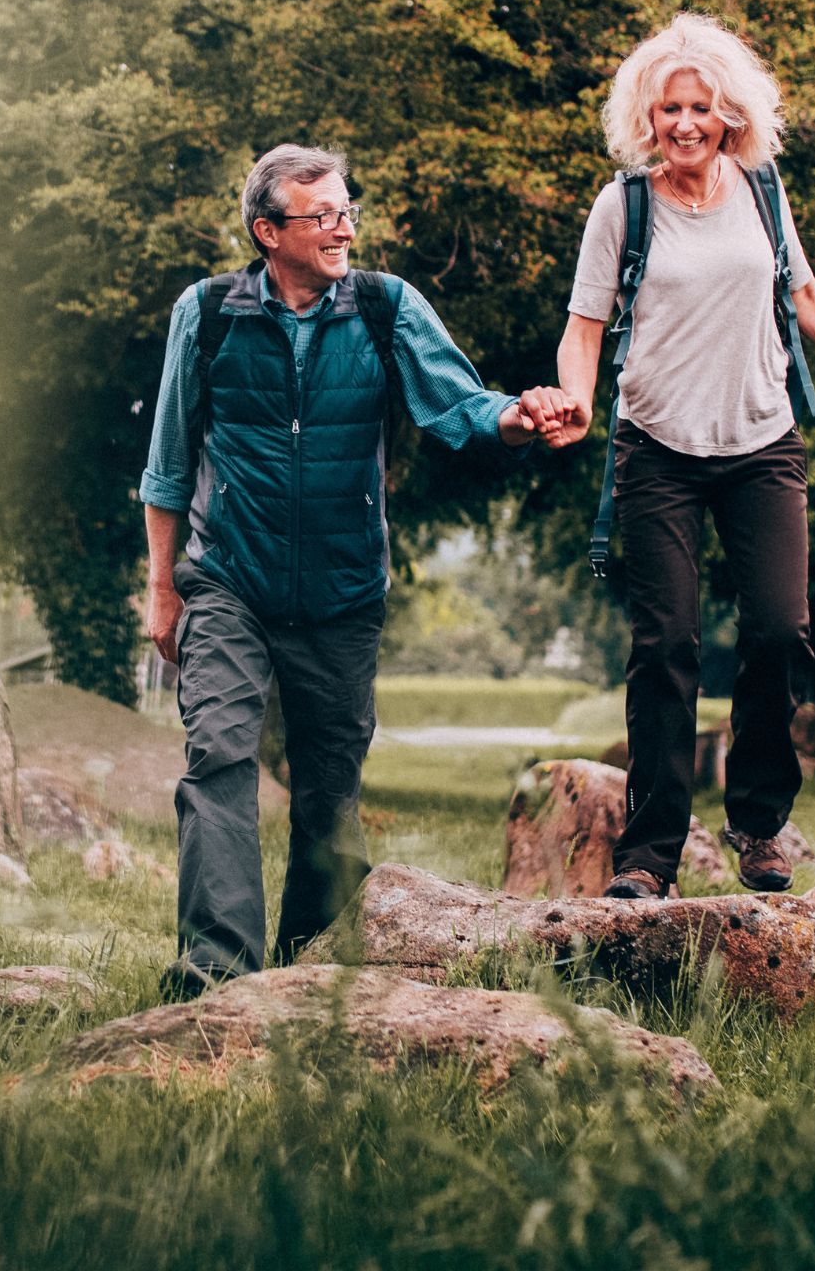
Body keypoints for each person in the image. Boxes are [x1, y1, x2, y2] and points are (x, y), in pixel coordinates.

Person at [140, 145, 574, 993]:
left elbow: (459, 407)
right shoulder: (208, 314)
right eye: (322, 215)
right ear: (268, 232)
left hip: (342, 592)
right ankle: (215, 968)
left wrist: (523, 416)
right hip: (229, 577)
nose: (343, 228)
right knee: (220, 757)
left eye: (347, 210)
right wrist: (163, 590)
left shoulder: (383, 307)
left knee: (330, 794)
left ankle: (309, 968)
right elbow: (166, 463)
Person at [543, 13, 815, 899]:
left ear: (731, 115)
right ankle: (648, 857)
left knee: (778, 631)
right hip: (657, 451)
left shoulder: (762, 190)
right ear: (648, 116)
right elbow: (584, 328)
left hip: (761, 441)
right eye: (670, 108)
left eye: (702, 108)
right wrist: (574, 398)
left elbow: (805, 294)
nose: (685, 124)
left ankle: (758, 824)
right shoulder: (623, 204)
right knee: (667, 644)